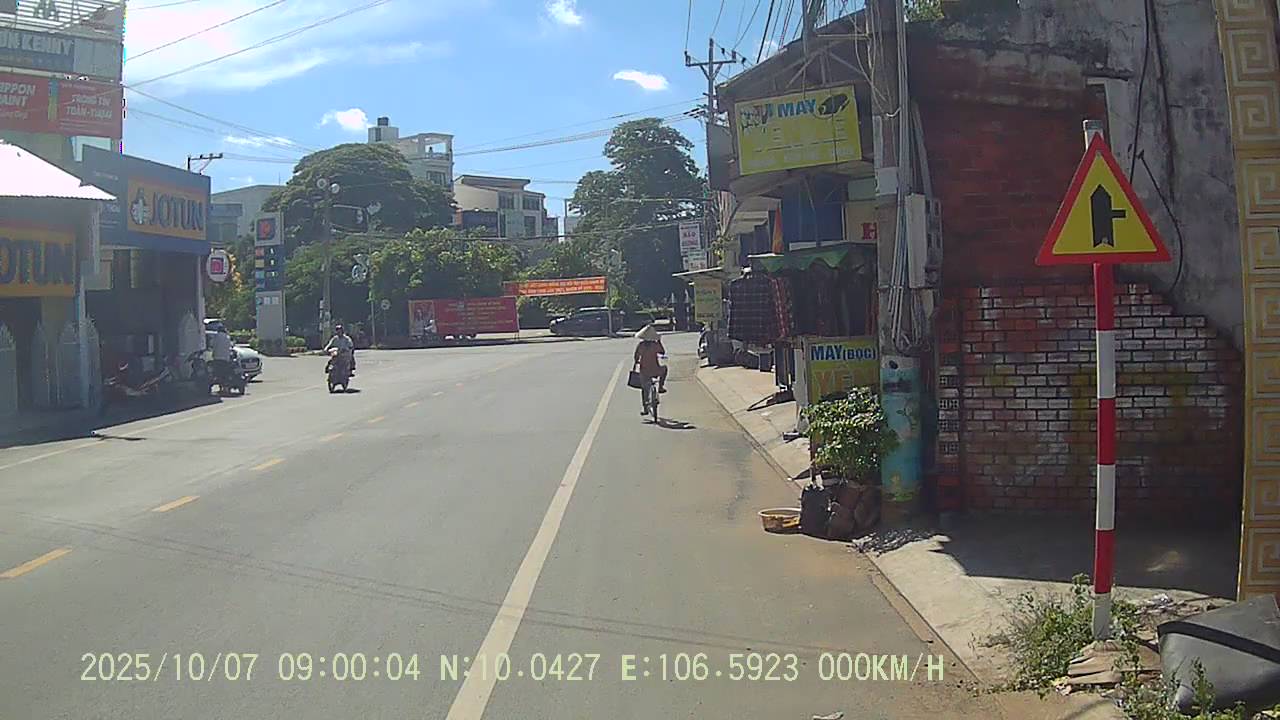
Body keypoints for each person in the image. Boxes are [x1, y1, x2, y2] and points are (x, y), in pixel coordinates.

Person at [633, 324, 667, 415]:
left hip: (644, 371)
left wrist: (637, 362)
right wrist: (659, 342)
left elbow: (636, 356)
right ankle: (660, 386)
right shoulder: (654, 345)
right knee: (664, 369)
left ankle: (645, 408)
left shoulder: (641, 346)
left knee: (644, 389)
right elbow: (662, 352)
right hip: (656, 370)